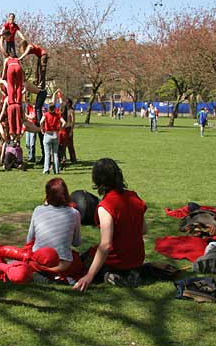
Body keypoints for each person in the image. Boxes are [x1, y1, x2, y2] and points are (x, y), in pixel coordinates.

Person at [73, 158, 148, 292]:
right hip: (137, 258)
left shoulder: (106, 206)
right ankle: (129, 272)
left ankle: (112, 275)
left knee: (78, 263)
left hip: (117, 259)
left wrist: (89, 275)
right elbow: (144, 229)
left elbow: (106, 245)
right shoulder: (134, 197)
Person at [27, 178, 83, 281]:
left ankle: (43, 276)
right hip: (63, 265)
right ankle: (59, 277)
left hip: (38, 262)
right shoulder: (74, 213)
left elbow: (29, 239)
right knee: (77, 261)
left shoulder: (38, 210)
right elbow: (77, 243)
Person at [1, 55, 25, 143]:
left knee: (10, 85)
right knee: (18, 86)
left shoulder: (7, 59)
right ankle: (18, 135)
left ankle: (12, 135)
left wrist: (3, 77)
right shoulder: (18, 59)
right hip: (18, 68)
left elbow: (4, 70)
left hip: (10, 68)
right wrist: (23, 79)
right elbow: (21, 71)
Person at [40, 103, 66, 175]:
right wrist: (60, 128)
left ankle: (46, 170)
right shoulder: (57, 114)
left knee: (47, 153)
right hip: (55, 134)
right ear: (54, 108)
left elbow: (41, 121)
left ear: (48, 108)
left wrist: (42, 129)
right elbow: (64, 122)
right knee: (55, 154)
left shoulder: (46, 114)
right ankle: (56, 170)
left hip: (47, 134)